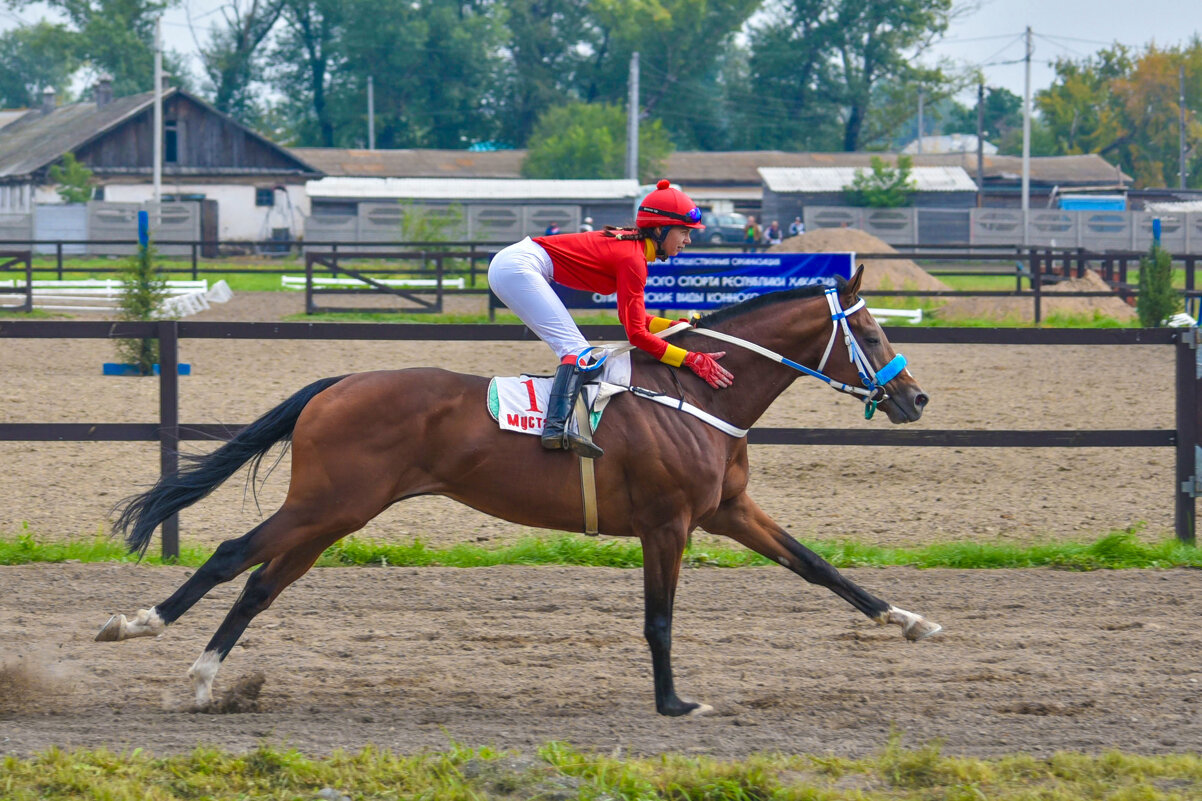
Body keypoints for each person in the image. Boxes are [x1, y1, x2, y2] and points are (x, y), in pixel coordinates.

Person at [488, 180, 734, 458]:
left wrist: (676, 327)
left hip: (516, 264)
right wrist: (689, 359)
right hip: (518, 267)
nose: (688, 240)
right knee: (579, 353)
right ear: (659, 229)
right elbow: (637, 336)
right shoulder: (633, 259)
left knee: (580, 353)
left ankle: (559, 426)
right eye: (683, 232)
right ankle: (555, 429)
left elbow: (633, 318)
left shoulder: (634, 250)